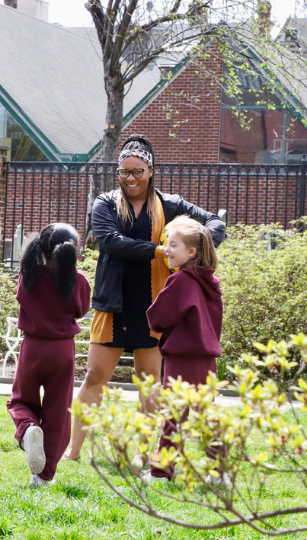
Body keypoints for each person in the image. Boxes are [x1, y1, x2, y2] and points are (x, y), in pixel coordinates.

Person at [63, 134, 226, 464]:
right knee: (94, 377)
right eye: (125, 172)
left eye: (138, 171)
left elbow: (214, 222)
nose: (131, 178)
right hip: (113, 305)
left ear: (151, 170)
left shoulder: (170, 205)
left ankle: (143, 454)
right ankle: (73, 450)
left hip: (155, 307)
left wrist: (198, 251)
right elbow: (110, 242)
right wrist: (159, 250)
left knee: (150, 382)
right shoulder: (105, 204)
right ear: (117, 172)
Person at [141, 215, 227, 484]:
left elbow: (158, 316)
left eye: (174, 244)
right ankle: (219, 471)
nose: (168, 249)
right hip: (206, 359)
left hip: (181, 358)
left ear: (191, 252)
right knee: (206, 414)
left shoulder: (180, 281)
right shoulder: (209, 281)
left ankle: (161, 471)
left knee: (174, 414)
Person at [6, 223, 91, 487]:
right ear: (74, 251)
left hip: (33, 348)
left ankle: (28, 429)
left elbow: (22, 295)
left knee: (20, 401)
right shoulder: (78, 282)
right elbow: (81, 310)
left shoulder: (29, 274)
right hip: (62, 350)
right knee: (58, 412)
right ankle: (43, 476)